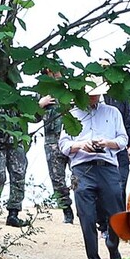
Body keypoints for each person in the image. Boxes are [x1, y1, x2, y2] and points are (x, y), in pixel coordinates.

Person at [60, 86, 128, 259]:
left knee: (116, 212)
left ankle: (113, 248)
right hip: (82, 168)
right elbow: (63, 144)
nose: (93, 96)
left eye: (96, 92)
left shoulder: (112, 112)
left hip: (107, 166)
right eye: (89, 92)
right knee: (86, 216)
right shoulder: (72, 114)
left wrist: (106, 143)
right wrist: (81, 145)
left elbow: (123, 139)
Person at [37, 83, 74, 224]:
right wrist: (40, 104)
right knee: (57, 179)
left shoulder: (72, 89)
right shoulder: (42, 91)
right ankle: (66, 210)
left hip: (73, 140)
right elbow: (32, 117)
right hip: (52, 142)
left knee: (78, 175)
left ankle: (84, 208)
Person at [0, 113, 29, 227]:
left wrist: (39, 106)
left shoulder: (24, 95)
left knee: (19, 175)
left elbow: (35, 117)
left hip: (16, 138)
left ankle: (13, 214)